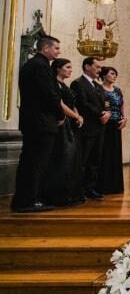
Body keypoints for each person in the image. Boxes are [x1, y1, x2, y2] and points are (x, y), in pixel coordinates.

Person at [11, 36, 65, 213]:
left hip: (35, 120)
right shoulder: (40, 67)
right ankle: (26, 201)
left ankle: (27, 198)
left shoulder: (35, 65)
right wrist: (59, 113)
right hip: (40, 121)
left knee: (32, 161)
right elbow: (49, 95)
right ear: (46, 48)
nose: (58, 51)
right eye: (56, 48)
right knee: (35, 162)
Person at [45, 58, 85, 207]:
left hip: (70, 125)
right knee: (63, 159)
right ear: (57, 69)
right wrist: (76, 116)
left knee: (72, 160)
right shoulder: (53, 84)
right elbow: (60, 104)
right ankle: (60, 196)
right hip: (62, 124)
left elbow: (72, 103)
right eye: (67, 67)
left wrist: (78, 114)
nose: (70, 70)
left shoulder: (64, 85)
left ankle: (71, 194)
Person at [71, 57, 110, 200]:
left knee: (95, 160)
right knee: (83, 159)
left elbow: (105, 103)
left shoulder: (98, 86)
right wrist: (100, 114)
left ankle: (90, 188)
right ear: (87, 67)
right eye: (97, 67)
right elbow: (82, 104)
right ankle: (78, 189)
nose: (100, 70)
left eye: (100, 68)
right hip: (87, 127)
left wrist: (107, 112)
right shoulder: (78, 83)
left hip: (100, 127)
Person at [98, 66, 126, 195]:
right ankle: (104, 185)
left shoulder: (118, 90)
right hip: (105, 125)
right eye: (112, 73)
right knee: (105, 153)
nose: (114, 76)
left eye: (115, 74)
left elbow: (122, 105)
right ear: (104, 75)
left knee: (115, 153)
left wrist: (124, 119)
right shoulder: (99, 89)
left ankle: (115, 185)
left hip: (116, 124)